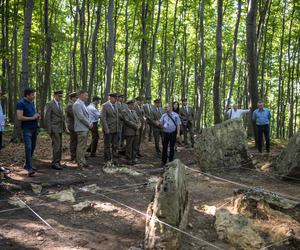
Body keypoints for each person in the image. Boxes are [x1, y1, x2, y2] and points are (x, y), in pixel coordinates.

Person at [16, 88, 40, 176]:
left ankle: (27, 164)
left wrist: (37, 116)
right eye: (32, 95)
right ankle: (29, 169)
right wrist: (32, 118)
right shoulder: (20, 103)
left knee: (33, 146)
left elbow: (32, 114)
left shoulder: (31, 103)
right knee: (28, 147)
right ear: (27, 95)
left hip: (34, 128)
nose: (34, 96)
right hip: (27, 129)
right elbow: (19, 117)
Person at [44, 90, 66, 170]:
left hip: (60, 128)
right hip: (54, 128)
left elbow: (62, 118)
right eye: (59, 96)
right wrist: (49, 129)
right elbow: (47, 117)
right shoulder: (49, 104)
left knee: (59, 145)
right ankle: (55, 163)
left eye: (61, 96)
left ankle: (58, 161)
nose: (60, 97)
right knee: (56, 145)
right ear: (55, 96)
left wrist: (64, 128)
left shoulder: (60, 104)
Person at [73, 90, 93, 168]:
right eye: (86, 95)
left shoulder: (82, 103)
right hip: (81, 128)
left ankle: (83, 161)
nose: (87, 97)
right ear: (81, 95)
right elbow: (81, 117)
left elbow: (85, 116)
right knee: (81, 146)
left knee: (83, 146)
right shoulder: (77, 104)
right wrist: (88, 123)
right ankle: (80, 164)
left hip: (84, 128)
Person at [160, 103, 181, 167]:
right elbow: (160, 124)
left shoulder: (176, 115)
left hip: (173, 133)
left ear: (170, 108)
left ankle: (171, 161)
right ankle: (163, 161)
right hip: (165, 133)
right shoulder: (163, 115)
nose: (165, 108)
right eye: (165, 107)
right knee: (164, 147)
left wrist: (178, 133)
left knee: (172, 148)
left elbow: (178, 125)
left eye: (166, 107)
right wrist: (162, 126)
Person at [101, 93, 120, 162]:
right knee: (107, 145)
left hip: (116, 129)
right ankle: (107, 159)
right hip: (108, 129)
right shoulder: (105, 106)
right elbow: (103, 118)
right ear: (110, 98)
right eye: (115, 98)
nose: (116, 99)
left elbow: (117, 117)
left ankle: (114, 159)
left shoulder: (116, 105)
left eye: (116, 98)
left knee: (115, 145)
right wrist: (106, 129)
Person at [122, 100, 141, 165]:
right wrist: (136, 126)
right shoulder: (125, 112)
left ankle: (134, 158)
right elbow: (127, 121)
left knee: (135, 146)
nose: (134, 106)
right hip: (129, 131)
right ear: (129, 105)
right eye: (132, 105)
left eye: (134, 105)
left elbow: (138, 119)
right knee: (129, 146)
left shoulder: (134, 111)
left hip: (136, 131)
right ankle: (128, 159)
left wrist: (139, 124)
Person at [65, 92, 78, 161]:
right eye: (76, 97)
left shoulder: (73, 104)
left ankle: (76, 154)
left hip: (75, 125)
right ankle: (73, 156)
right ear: (72, 98)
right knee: (73, 141)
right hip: (72, 126)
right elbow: (74, 115)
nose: (77, 99)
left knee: (76, 140)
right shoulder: (70, 105)